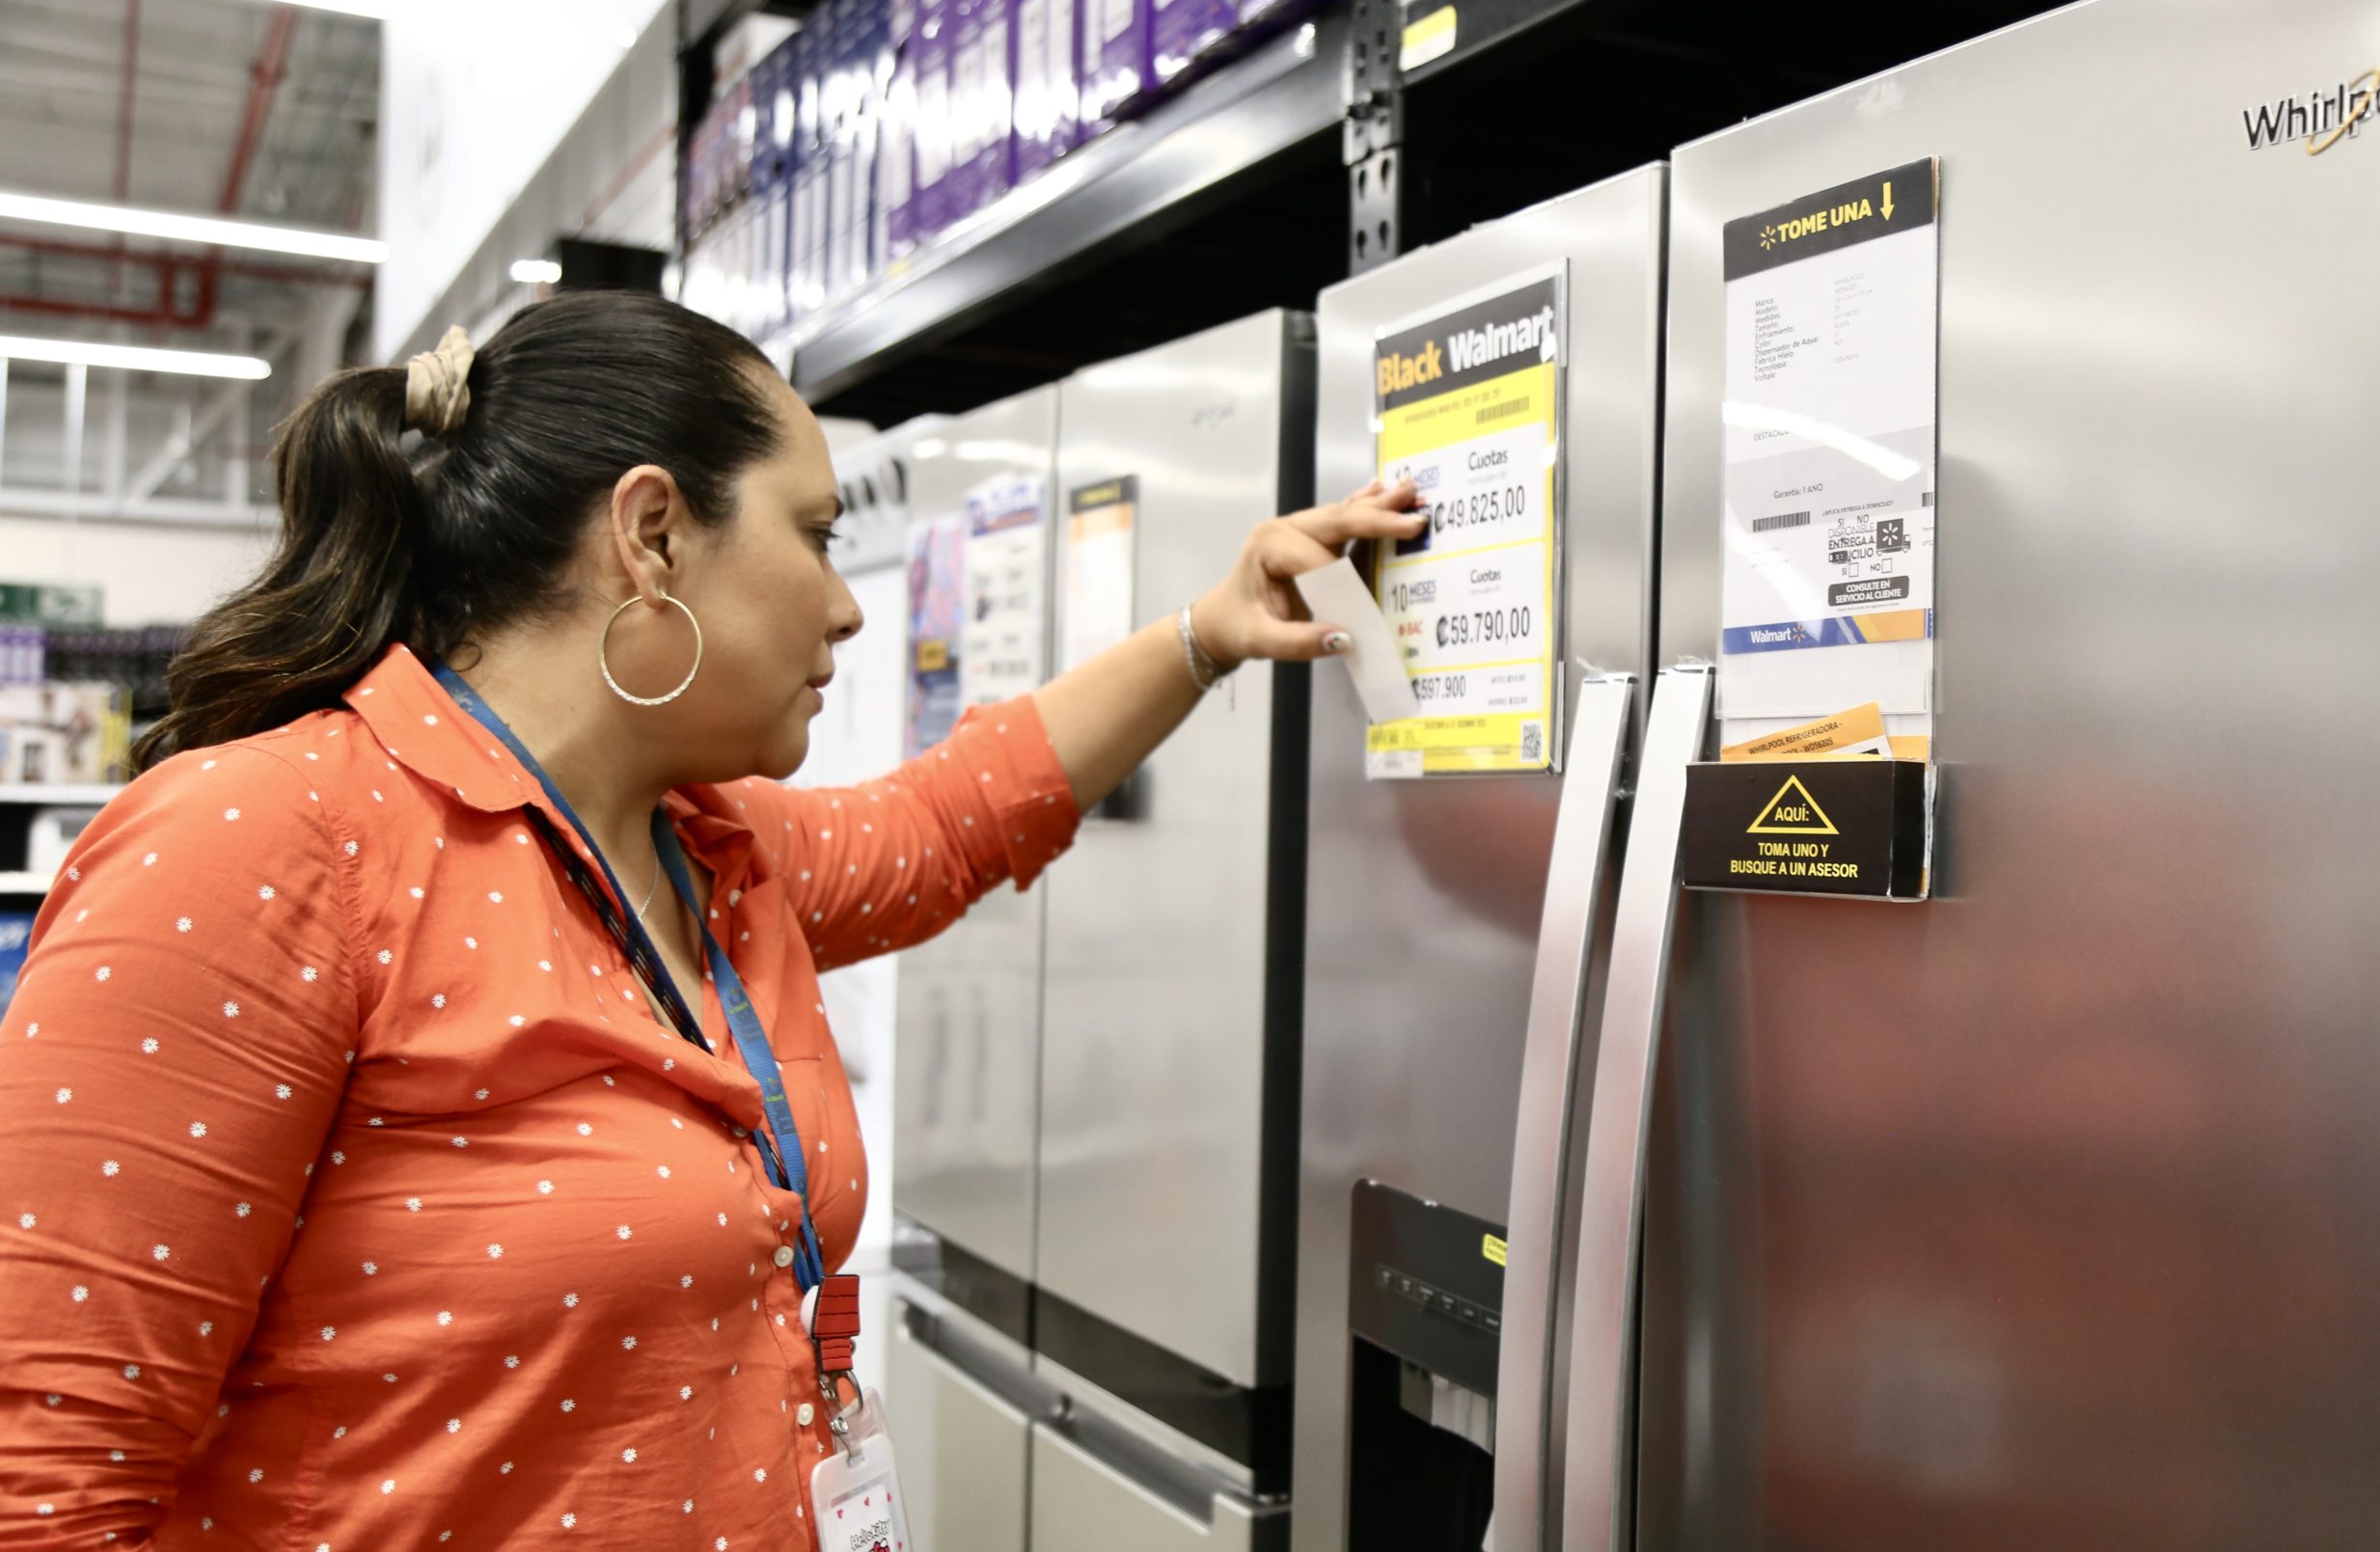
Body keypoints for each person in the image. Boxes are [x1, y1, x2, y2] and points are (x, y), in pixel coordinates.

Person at [0, 291, 1421, 1546]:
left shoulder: (701, 852)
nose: (851, 612)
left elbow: (946, 822)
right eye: (816, 535)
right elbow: (45, 1486)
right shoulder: (264, 839)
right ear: (654, 536)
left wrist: (1206, 631)